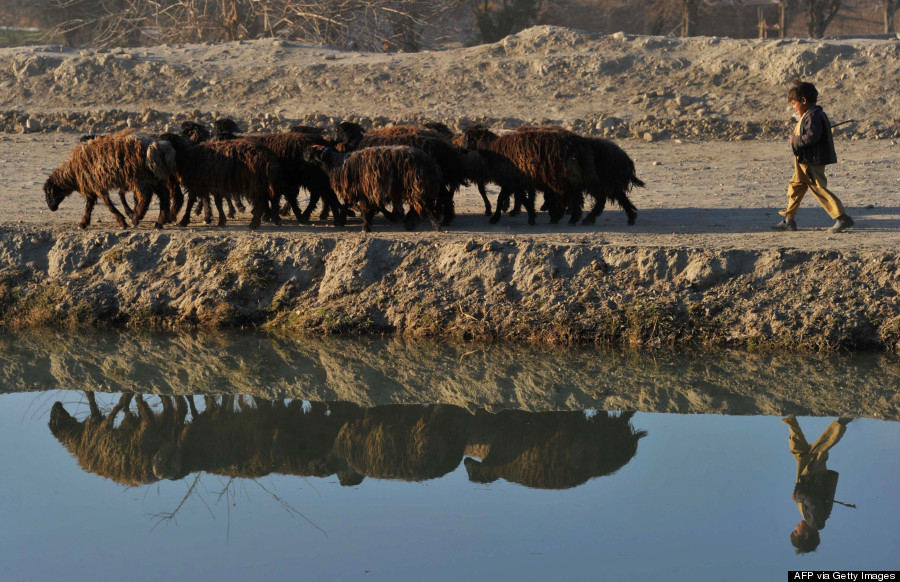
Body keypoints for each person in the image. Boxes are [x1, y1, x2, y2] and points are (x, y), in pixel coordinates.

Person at [772, 80, 854, 233]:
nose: (794, 108)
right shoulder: (810, 115)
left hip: (811, 162)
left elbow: (811, 137)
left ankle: (843, 218)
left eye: (794, 103)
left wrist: (795, 140)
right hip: (803, 161)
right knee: (795, 188)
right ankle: (789, 221)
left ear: (803, 100)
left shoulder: (814, 116)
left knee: (818, 188)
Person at [782, 415, 852, 553]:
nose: (795, 527)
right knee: (820, 450)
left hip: (807, 478)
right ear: (806, 534)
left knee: (800, 453)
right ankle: (842, 422)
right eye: (796, 532)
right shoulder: (815, 522)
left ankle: (792, 421)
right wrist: (797, 496)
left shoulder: (811, 520)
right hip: (813, 477)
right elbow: (812, 501)